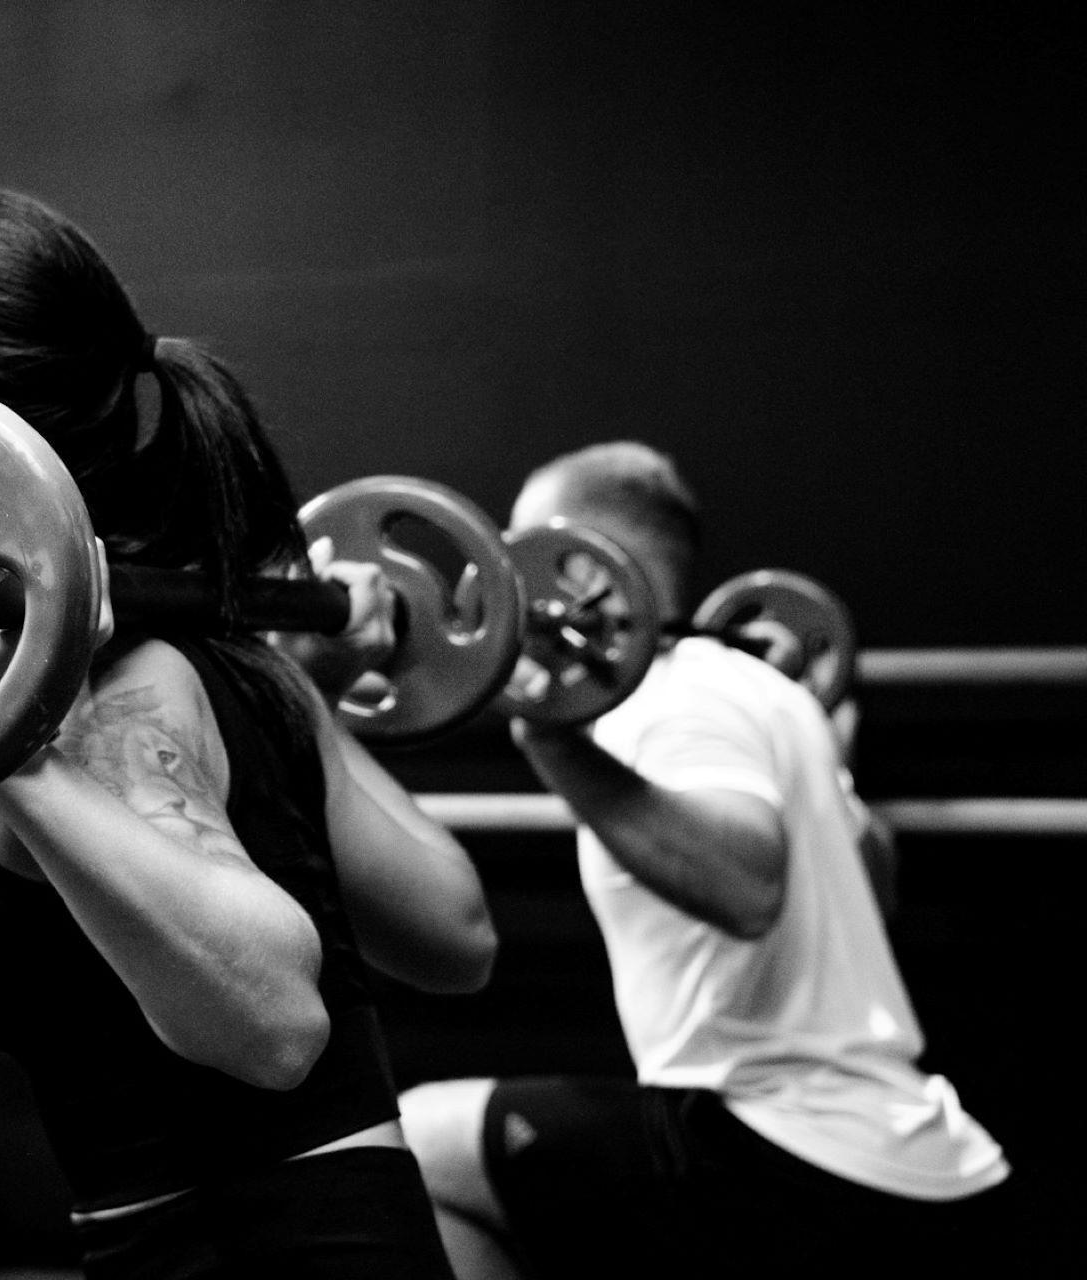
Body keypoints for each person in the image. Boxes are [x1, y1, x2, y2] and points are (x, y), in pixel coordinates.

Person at [0, 187, 498, 1278]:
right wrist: (309, 707)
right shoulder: (242, 657)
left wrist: (7, 749)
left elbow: (276, 1025)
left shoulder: (105, 702)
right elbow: (453, 932)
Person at [398, 441, 1012, 1279]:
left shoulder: (671, 697)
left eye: (522, 544)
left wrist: (549, 736)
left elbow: (747, 886)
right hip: (907, 1153)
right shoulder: (765, 694)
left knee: (415, 1146)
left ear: (576, 567)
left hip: (787, 1145)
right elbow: (878, 884)